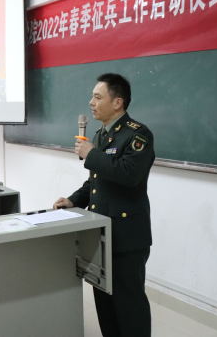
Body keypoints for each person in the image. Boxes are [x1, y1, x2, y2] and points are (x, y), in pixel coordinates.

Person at [54, 73, 154, 337]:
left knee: (129, 306)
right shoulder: (100, 135)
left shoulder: (138, 134)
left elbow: (129, 175)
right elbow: (96, 182)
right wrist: (74, 200)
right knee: (105, 304)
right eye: (92, 97)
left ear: (117, 102)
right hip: (100, 232)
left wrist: (91, 154)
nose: (91, 103)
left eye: (98, 97)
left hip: (127, 236)